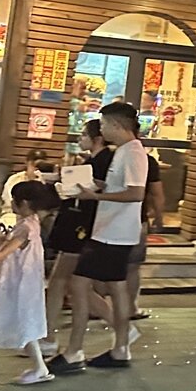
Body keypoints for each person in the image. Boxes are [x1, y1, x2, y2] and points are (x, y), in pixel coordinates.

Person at [51, 101, 149, 373]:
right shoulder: (124, 152)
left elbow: (135, 193)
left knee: (78, 284)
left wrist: (95, 196)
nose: (102, 128)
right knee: (116, 289)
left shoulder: (133, 153)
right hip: (112, 231)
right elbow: (122, 187)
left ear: (117, 125)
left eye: (104, 123)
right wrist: (95, 186)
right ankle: (120, 347)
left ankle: (74, 351)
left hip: (114, 233)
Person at [40, 121, 114, 355]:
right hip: (77, 224)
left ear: (97, 138)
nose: (79, 139)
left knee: (62, 282)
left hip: (80, 226)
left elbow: (102, 189)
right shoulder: (95, 161)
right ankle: (121, 326)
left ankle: (50, 337)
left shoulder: (104, 162)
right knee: (73, 284)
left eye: (83, 134)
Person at [0, 180, 59, 385]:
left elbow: (2, 254)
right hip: (18, 283)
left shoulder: (26, 227)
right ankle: (40, 367)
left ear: (25, 204)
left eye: (14, 200)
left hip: (13, 285)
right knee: (21, 323)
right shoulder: (29, 224)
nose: (11, 204)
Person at [127, 151, 165, 322]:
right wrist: (158, 217)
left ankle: (97, 307)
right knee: (132, 266)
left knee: (101, 263)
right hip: (136, 218)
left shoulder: (109, 157)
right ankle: (130, 308)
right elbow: (157, 193)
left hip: (105, 219)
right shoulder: (147, 160)